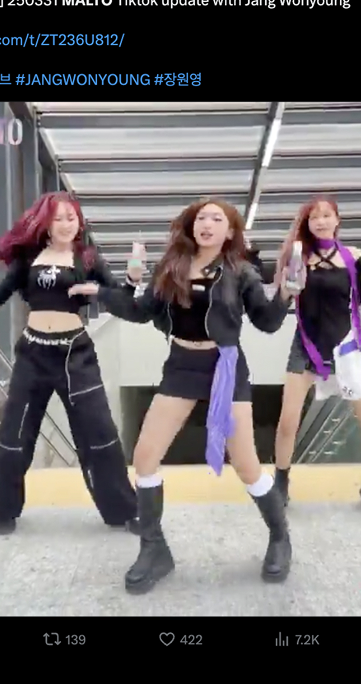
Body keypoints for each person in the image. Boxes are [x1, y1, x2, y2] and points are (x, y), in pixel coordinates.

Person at [69, 199, 294, 594]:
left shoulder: (241, 271)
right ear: (192, 225)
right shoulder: (171, 266)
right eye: (201, 217)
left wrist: (286, 295)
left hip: (224, 367)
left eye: (217, 219)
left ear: (230, 231)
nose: (207, 223)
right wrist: (104, 292)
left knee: (246, 464)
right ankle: (154, 549)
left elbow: (267, 322)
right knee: (144, 456)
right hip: (181, 365)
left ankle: (280, 537)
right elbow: (141, 311)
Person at [0, 191, 143, 535]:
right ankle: (4, 512)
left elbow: (122, 301)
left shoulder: (87, 259)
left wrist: (130, 280)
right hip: (33, 355)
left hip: (76, 356)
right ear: (46, 223)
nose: (66, 224)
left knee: (99, 433)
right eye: (58, 218)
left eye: (71, 217)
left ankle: (124, 510)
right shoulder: (28, 259)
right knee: (13, 435)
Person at [272, 197, 361, 520]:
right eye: (314, 217)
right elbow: (278, 294)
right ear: (308, 223)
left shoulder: (351, 256)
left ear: (337, 220)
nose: (320, 221)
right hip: (305, 346)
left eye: (326, 215)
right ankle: (281, 483)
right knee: (288, 423)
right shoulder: (299, 257)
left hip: (344, 347)